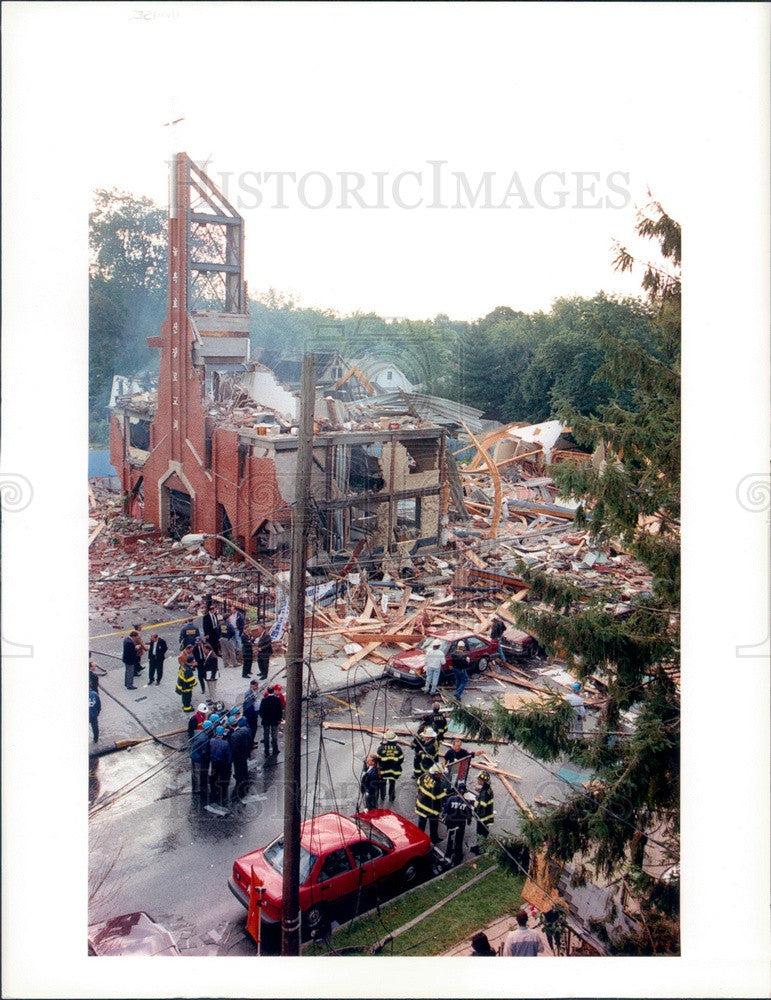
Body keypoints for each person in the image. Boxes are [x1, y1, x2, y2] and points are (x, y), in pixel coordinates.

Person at [415, 762, 447, 844]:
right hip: (431, 809)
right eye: (441, 774)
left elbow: (418, 783)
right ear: (437, 774)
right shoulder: (438, 785)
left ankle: (419, 838)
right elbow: (442, 799)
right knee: (433, 824)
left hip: (421, 804)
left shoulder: (424, 775)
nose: (442, 775)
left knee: (421, 822)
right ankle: (434, 839)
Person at [442, 780, 472, 864]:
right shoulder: (467, 802)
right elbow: (469, 814)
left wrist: (444, 818)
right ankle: (458, 857)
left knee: (450, 839)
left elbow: (445, 811)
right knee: (459, 840)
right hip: (460, 825)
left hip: (450, 823)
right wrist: (469, 821)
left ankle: (448, 854)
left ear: (457, 790)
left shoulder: (451, 799)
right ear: (465, 792)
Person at [469, 771, 495, 855]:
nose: (477, 781)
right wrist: (480, 790)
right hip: (487, 817)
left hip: (482, 818)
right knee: (484, 834)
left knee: (481, 834)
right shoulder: (488, 789)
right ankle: (482, 847)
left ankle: (480, 850)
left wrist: (473, 807)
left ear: (482, 782)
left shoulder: (484, 794)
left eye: (479, 780)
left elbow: (481, 807)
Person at [376, 730, 404, 803]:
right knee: (392, 784)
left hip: (383, 771)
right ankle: (391, 797)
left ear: (386, 739)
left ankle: (382, 797)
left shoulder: (381, 748)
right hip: (394, 771)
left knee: (383, 784)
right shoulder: (398, 749)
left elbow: (377, 759)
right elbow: (401, 759)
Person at [189, 718, 213, 804]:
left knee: (194, 772)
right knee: (198, 773)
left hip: (193, 755)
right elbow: (203, 751)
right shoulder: (205, 738)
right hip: (198, 758)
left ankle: (195, 786)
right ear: (209, 729)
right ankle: (198, 789)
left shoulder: (197, 732)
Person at [209, 725, 232, 807]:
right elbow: (228, 756)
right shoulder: (225, 744)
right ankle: (223, 793)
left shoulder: (211, 741)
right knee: (223, 778)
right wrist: (229, 763)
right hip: (223, 763)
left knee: (214, 776)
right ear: (223, 734)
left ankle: (213, 791)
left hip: (214, 762)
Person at [230, 716, 253, 799]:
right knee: (244, 766)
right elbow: (250, 740)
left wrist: (232, 757)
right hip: (245, 753)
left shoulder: (234, 736)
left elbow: (234, 749)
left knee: (239, 770)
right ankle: (246, 778)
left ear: (230, 726)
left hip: (238, 756)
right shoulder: (245, 729)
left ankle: (240, 784)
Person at [258, 685, 283, 755]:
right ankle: (275, 749)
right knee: (274, 735)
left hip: (266, 721)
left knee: (266, 735)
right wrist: (279, 719)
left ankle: (266, 750)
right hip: (274, 720)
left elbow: (260, 711)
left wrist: (263, 717)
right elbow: (279, 711)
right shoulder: (277, 700)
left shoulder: (264, 700)